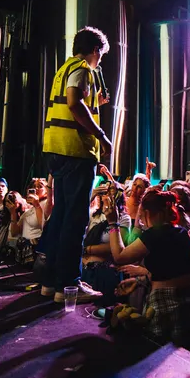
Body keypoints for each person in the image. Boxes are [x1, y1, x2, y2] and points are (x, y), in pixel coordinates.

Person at [40, 26, 112, 304]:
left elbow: (73, 102)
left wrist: (96, 103)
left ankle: (51, 282)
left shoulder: (64, 68)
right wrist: (101, 135)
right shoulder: (83, 69)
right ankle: (69, 285)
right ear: (95, 50)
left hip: (56, 148)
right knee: (75, 219)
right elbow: (74, 103)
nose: (100, 61)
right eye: (101, 55)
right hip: (76, 151)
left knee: (61, 216)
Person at [109, 189, 190, 345]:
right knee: (181, 351)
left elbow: (119, 256)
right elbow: (171, 271)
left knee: (157, 349)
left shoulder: (153, 234)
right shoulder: (183, 232)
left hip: (161, 302)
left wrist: (113, 223)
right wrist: (139, 281)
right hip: (187, 299)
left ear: (147, 213)